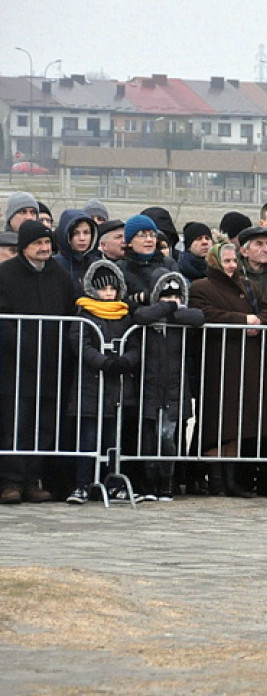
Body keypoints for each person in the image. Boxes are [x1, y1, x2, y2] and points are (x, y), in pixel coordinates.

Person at [0, 221, 78, 504]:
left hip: (51, 367)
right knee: (15, 426)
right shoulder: (5, 275)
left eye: (47, 243)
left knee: (43, 427)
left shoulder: (59, 275)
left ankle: (32, 480)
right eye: (38, 244)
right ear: (24, 248)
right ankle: (10, 482)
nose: (45, 248)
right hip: (16, 368)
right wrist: (21, 347)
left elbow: (71, 313)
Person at [189, 241, 267, 497]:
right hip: (218, 362)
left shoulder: (248, 286)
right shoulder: (201, 286)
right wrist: (241, 320)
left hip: (247, 362)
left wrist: (259, 321)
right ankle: (215, 478)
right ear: (215, 262)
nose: (231, 266)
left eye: (233, 261)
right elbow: (205, 313)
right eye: (226, 261)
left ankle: (231, 478)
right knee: (217, 422)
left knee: (239, 422)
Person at [65, 261, 140, 504]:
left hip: (117, 390)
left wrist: (125, 361)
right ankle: (82, 484)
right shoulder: (84, 315)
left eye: (112, 288)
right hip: (90, 387)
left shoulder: (124, 315)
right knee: (88, 439)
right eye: (102, 289)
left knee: (113, 440)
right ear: (91, 289)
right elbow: (82, 346)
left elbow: (136, 346)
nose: (108, 293)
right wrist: (105, 362)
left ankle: (115, 482)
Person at [130, 272, 205, 501]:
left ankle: (167, 482)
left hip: (174, 390)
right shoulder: (150, 317)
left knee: (168, 438)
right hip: (149, 388)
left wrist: (169, 310)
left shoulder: (181, 318)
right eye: (165, 296)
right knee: (148, 439)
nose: (171, 300)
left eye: (175, 295)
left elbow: (198, 317)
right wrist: (168, 308)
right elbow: (141, 315)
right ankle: (148, 483)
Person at [118, 214, 177, 309]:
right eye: (142, 235)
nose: (149, 239)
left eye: (153, 235)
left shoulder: (168, 263)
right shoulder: (121, 267)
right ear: (129, 242)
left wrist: (142, 297)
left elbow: (179, 294)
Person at [53, 208, 100, 292]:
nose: (82, 238)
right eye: (75, 233)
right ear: (66, 235)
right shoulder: (54, 265)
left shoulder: (99, 265)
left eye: (86, 232)